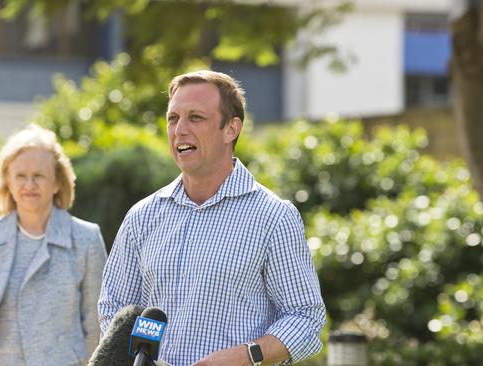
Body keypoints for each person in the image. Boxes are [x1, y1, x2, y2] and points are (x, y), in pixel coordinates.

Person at [98, 70, 325, 366]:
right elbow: (114, 310)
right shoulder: (143, 216)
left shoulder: (274, 217)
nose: (179, 129)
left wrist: (247, 355)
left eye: (195, 117)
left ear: (231, 128)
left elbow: (306, 319)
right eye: (173, 118)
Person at [0, 124, 107, 366]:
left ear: (57, 182)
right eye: (20, 176)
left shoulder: (86, 239)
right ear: (8, 181)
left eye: (38, 176)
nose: (29, 185)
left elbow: (97, 321)